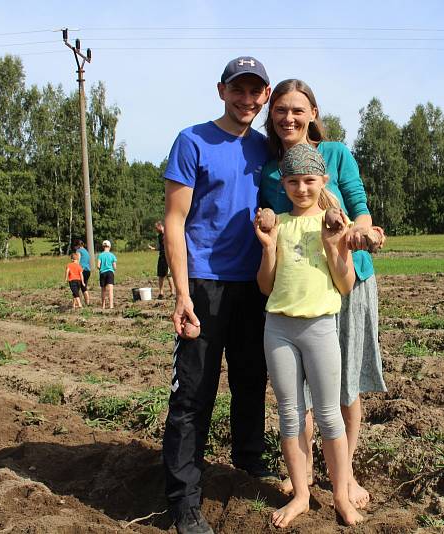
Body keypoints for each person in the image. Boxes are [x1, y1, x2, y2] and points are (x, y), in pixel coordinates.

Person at [261, 79, 387, 509]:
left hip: (349, 280)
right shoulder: (270, 170)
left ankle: (345, 479)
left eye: (298, 109)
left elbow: (358, 203)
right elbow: (277, 228)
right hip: (297, 292)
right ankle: (305, 478)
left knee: (343, 386)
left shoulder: (335, 153)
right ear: (270, 115)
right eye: (280, 110)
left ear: (313, 112)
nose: (289, 117)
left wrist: (359, 232)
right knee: (302, 397)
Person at [161, 55, 273, 534]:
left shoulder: (269, 150)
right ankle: (184, 499)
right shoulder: (192, 141)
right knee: (193, 393)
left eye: (255, 91)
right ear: (221, 90)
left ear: (265, 96)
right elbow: (174, 220)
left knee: (251, 382)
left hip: (254, 285)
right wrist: (182, 294)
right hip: (204, 284)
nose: (246, 99)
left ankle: (249, 467)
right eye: (238, 89)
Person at [255, 143, 363, 528]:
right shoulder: (279, 224)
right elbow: (265, 287)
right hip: (278, 328)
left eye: (309, 181)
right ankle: (302, 494)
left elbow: (346, 284)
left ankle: (339, 495)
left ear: (323, 180)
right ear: (283, 183)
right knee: (290, 415)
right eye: (294, 181)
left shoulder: (334, 224)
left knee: (330, 416)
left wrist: (335, 247)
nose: (302, 189)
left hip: (319, 327)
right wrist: (268, 248)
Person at [149, 220, 174, 298]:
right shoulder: (159, 235)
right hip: (161, 257)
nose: (156, 229)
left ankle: (172, 292)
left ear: (160, 226)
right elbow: (160, 247)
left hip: (167, 257)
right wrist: (154, 248)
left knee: (168, 275)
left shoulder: (167, 233)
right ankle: (161, 293)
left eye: (156, 228)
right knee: (160, 275)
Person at [97, 240, 117, 309]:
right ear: (110, 247)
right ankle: (111, 305)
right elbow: (114, 266)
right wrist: (113, 269)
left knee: (103, 290)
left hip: (102, 273)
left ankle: (103, 306)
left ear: (103, 247)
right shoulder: (112, 255)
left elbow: (98, 266)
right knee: (110, 290)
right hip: (110, 273)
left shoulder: (100, 255)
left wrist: (101, 269)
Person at [74, 239, 91, 305]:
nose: (74, 247)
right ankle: (87, 303)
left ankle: (75, 304)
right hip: (88, 271)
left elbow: (77, 261)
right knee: (84, 287)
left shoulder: (79, 251)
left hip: (82, 271)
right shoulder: (86, 251)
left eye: (75, 246)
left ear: (78, 245)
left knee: (76, 287)